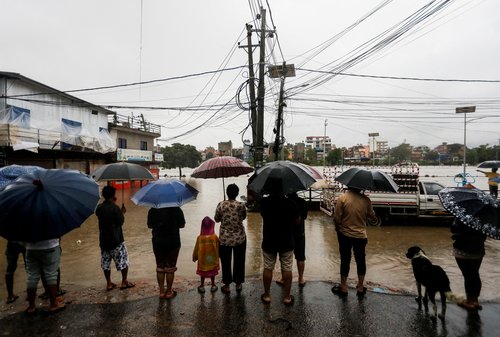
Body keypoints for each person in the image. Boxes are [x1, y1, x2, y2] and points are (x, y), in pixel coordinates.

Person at [259, 179, 300, 305]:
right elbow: (297, 221)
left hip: (269, 240)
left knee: (268, 267)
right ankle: (287, 297)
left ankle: (267, 295)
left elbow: (263, 215)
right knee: (287, 268)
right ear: (283, 189)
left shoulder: (264, 202)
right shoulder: (291, 203)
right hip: (286, 241)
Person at [332, 187, 377, 298]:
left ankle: (343, 287)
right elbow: (372, 216)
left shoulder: (342, 198)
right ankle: (360, 287)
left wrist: (338, 228)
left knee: (345, 259)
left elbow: (337, 218)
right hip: (361, 236)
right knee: (361, 260)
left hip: (345, 235)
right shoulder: (366, 200)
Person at [95, 186, 135, 292]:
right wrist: (122, 212)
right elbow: (120, 222)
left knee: (106, 263)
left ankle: (108, 283)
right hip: (116, 240)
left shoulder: (99, 208)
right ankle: (124, 281)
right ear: (113, 195)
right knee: (123, 261)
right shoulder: (115, 208)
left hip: (103, 241)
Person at [214, 183, 247, 294]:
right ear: (237, 193)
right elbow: (243, 217)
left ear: (227, 193)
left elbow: (217, 219)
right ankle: (238, 284)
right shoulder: (241, 205)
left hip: (225, 239)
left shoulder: (221, 204)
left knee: (225, 261)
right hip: (239, 238)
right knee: (239, 260)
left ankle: (227, 285)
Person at [147, 205, 186, 299]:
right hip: (173, 241)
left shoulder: (152, 210)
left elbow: (149, 225)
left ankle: (161, 292)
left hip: (157, 242)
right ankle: (169, 292)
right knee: (170, 267)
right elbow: (182, 225)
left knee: (160, 266)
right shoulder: (176, 209)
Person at [451, 218, 486, 310]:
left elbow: (454, 229)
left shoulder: (463, 215)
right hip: (478, 250)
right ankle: (475, 301)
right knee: (475, 274)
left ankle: (469, 302)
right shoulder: (485, 217)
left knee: (468, 275)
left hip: (463, 250)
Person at [25, 238, 65, 314]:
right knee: (51, 275)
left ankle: (31, 307)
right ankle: (53, 304)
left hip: (30, 248)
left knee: (32, 276)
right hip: (50, 246)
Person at [276, 192, 308, 287]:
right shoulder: (303, 202)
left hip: (287, 233)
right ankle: (301, 278)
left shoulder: (285, 202)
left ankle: (283, 278)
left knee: (285, 258)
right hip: (300, 233)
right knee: (301, 257)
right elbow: (305, 217)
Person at [192, 216, 219, 293]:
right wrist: (220, 256)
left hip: (203, 259)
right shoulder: (215, 237)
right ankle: (213, 285)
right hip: (212, 259)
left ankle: (202, 285)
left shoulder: (200, 238)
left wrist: (194, 257)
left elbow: (196, 248)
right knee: (212, 272)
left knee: (202, 273)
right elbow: (218, 248)